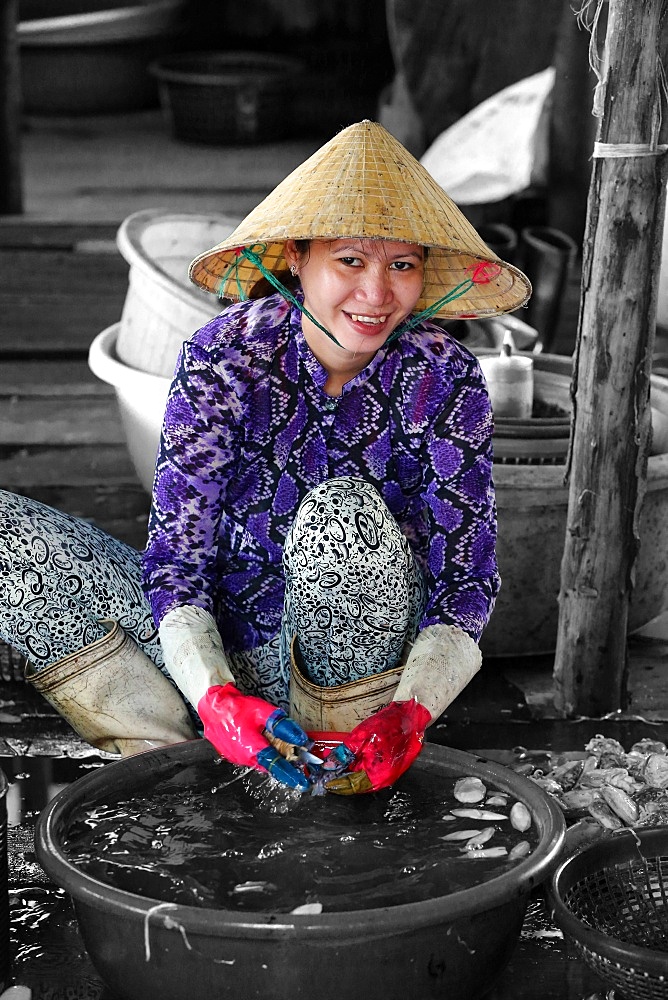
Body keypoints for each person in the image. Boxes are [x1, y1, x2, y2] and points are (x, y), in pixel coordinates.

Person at [0, 121, 530, 793]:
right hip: (215, 653)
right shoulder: (222, 358)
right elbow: (176, 561)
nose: (376, 294)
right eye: (349, 260)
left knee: (340, 516)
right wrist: (215, 692)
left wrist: (412, 711)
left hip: (357, 675)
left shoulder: (444, 377)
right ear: (296, 259)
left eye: (402, 264)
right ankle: (173, 766)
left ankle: (331, 771)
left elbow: (466, 582)